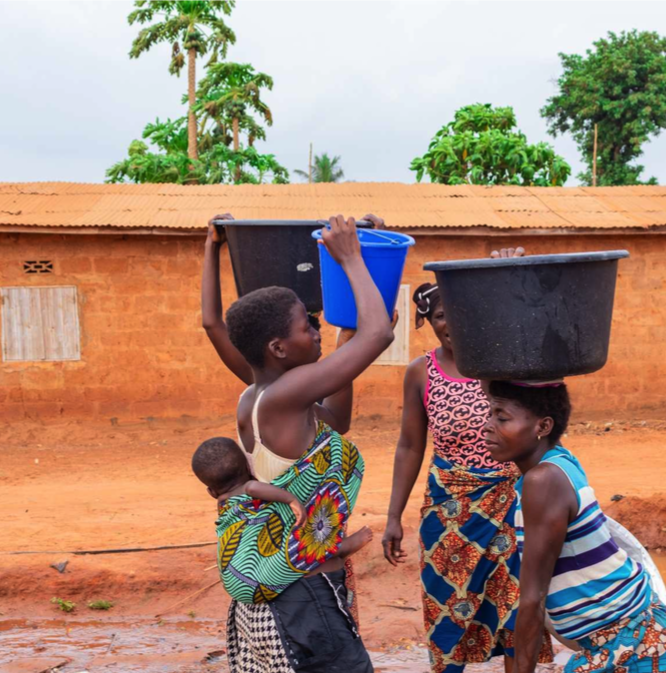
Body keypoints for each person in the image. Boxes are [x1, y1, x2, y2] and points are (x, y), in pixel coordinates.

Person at [216, 214, 394, 673]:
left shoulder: (259, 398)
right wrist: (352, 258)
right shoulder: (283, 397)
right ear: (278, 348)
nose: (315, 331)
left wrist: (346, 334)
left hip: (296, 589)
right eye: (306, 326)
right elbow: (382, 334)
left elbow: (340, 419)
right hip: (306, 594)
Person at [381, 248, 552, 673]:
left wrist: (510, 277)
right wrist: (393, 516)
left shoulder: (504, 362)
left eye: (460, 313)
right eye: (441, 315)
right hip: (448, 513)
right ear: (429, 321)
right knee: (447, 614)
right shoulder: (421, 372)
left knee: (517, 614)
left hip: (511, 507)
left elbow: (543, 337)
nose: (451, 324)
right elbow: (408, 446)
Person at [482, 380, 666, 673]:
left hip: (634, 646)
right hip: (641, 635)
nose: (488, 426)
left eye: (501, 418)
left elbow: (532, 598)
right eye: (489, 414)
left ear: (543, 426)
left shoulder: (543, 481)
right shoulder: (561, 461)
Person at [192, 436, 374, 599]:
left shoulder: (223, 503)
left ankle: (332, 553)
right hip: (258, 579)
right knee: (299, 549)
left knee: (280, 554)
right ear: (248, 466)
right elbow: (254, 489)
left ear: (211, 492)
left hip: (234, 579)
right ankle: (340, 549)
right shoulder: (248, 487)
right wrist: (291, 499)